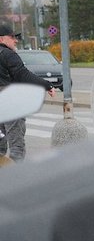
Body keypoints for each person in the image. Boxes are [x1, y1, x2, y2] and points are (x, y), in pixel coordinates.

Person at [0, 23, 54, 162]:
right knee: (16, 145)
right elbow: (23, 75)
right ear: (1, 39)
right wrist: (46, 85)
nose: (15, 40)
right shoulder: (8, 54)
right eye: (11, 37)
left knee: (0, 146)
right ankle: (18, 179)